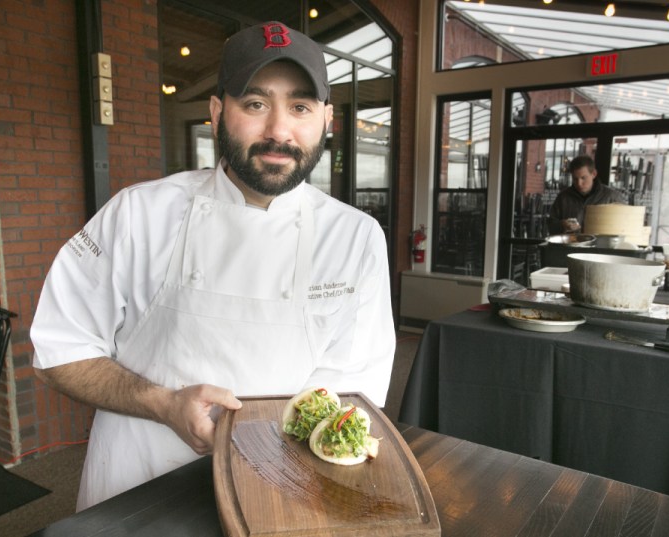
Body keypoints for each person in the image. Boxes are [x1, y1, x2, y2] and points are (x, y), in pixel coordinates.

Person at [30, 21, 395, 511]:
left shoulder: (356, 238)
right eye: (255, 104)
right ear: (218, 111)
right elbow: (58, 350)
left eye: (301, 107)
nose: (278, 131)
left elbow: (355, 393)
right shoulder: (138, 214)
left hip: (282, 491)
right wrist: (161, 404)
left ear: (327, 120)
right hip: (137, 485)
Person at [547, 154, 627, 235]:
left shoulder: (612, 197)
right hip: (571, 246)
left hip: (601, 247)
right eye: (575, 179)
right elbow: (550, 226)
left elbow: (626, 227)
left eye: (583, 178)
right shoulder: (563, 198)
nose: (579, 183)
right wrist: (561, 225)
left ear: (594, 174)